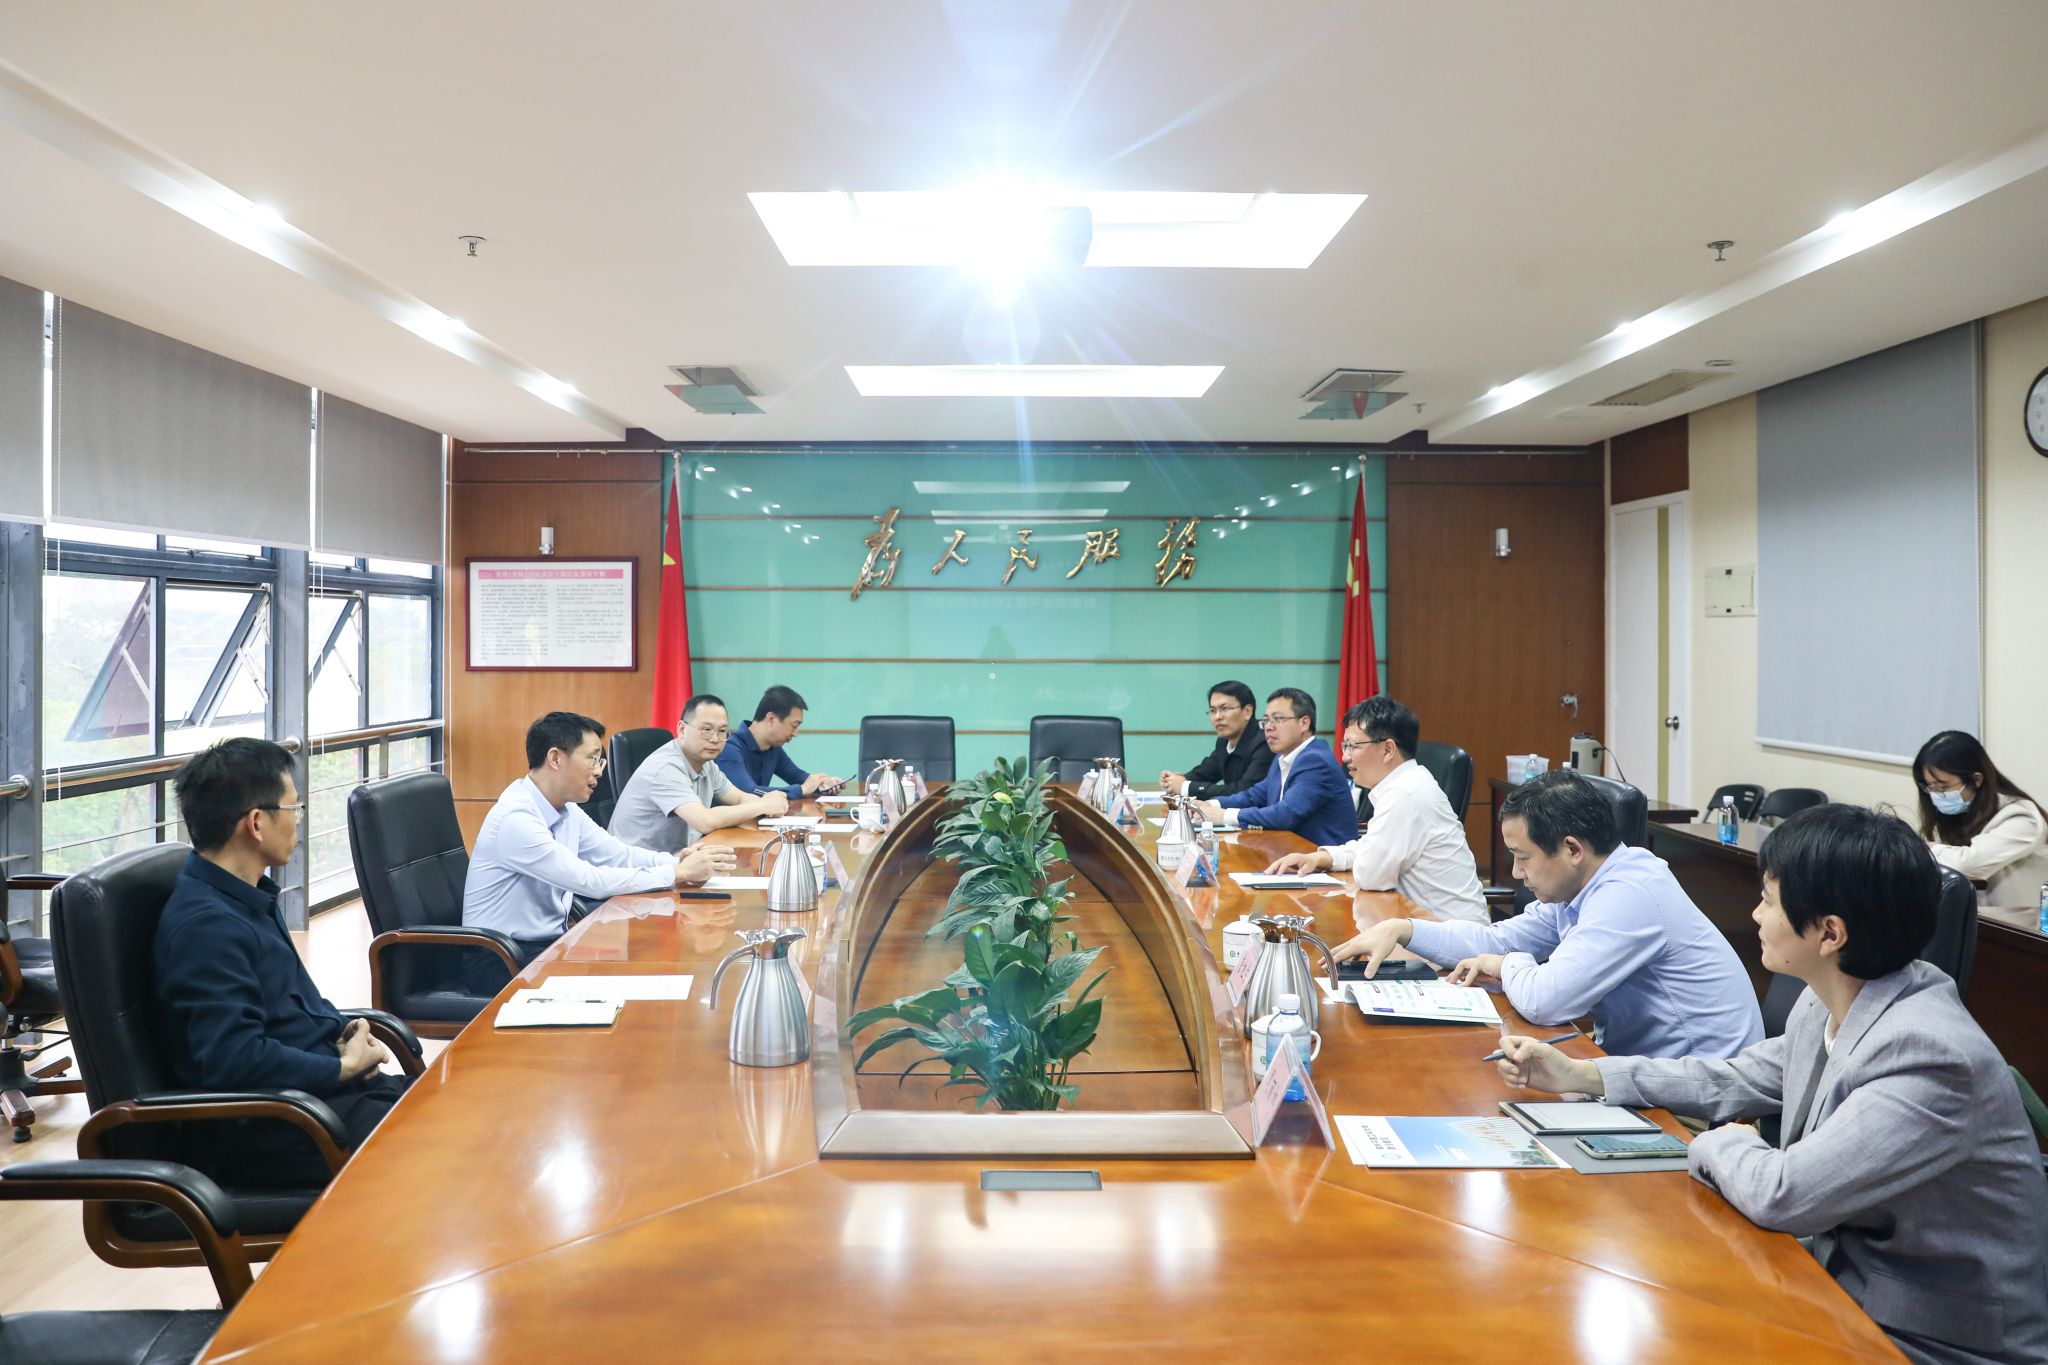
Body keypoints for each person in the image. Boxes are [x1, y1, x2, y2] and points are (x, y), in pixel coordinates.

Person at [1497, 805, 2048, 1365]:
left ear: (1829, 933)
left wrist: (1720, 1142)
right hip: (1839, 1283)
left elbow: (1785, 1193)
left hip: (1932, 1337)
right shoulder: (1831, 998)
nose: (1755, 914)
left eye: (1769, 900)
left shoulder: (1927, 1053)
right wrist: (1582, 1074)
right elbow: (1736, 1075)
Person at [1335, 769, 1761, 1060]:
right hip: (1637, 1071)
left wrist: (1504, 966)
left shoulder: (1628, 894)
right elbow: (1497, 939)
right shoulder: (1582, 886)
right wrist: (1405, 929)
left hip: (1698, 1104)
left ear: (1572, 849)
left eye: (1522, 857)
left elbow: (1546, 1000)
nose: (1516, 873)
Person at [153, 737, 406, 1187]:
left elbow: (289, 1006)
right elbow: (234, 1059)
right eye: (293, 808)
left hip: (312, 1104)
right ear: (256, 823)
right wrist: (342, 1067)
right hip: (276, 1130)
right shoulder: (207, 927)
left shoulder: (245, 898)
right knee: (452, 1143)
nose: (299, 820)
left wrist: (345, 1030)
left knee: (465, 1106)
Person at [465, 711, 736, 988]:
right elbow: (588, 880)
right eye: (592, 759)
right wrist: (677, 873)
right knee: (628, 987)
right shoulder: (517, 818)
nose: (599, 771)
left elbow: (619, 854)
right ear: (555, 758)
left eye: (600, 760)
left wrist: (676, 861)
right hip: (500, 957)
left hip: (547, 947)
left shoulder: (567, 809)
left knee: (643, 980)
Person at [1264, 696, 1487, 922]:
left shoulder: (1404, 794)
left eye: (1353, 746)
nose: (1345, 757)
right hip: (1425, 923)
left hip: (1451, 936)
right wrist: (1322, 857)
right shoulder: (1408, 782)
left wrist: (1342, 858)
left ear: (1388, 749)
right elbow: (1373, 846)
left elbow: (1371, 875)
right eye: (1344, 746)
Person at [611, 694, 792, 850]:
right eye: (706, 730)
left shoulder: (706, 764)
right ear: (682, 729)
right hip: (636, 867)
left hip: (675, 859)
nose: (715, 739)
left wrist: (769, 804)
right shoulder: (666, 768)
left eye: (722, 731)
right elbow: (705, 821)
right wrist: (762, 806)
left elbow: (738, 798)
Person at [1190, 687, 1355, 848]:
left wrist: (1224, 815)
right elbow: (1253, 796)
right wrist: (1211, 805)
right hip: (1289, 853)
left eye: (1278, 719)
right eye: (1266, 720)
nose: (1269, 727)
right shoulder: (1282, 758)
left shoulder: (1315, 760)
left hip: (1324, 859)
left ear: (1304, 723)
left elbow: (1284, 815)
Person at [1913, 730, 2048, 906]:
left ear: (1976, 779)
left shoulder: (2022, 818)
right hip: (1979, 916)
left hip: (2022, 920)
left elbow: (1966, 865)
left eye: (1942, 786)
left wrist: (1927, 849)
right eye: (1929, 787)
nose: (1935, 794)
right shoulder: (1954, 815)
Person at [716, 685, 843, 799]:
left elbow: (799, 777)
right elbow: (748, 792)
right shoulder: (729, 746)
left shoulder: (773, 748)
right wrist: (802, 789)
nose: (796, 733)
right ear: (771, 719)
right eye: (794, 725)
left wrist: (823, 784)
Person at [1160, 679, 1273, 801]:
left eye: (1225, 708)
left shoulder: (1265, 742)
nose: (1217, 717)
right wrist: (1174, 780)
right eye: (1213, 711)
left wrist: (1186, 787)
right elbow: (1205, 772)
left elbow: (1244, 792)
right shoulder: (1224, 742)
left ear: (1247, 711)